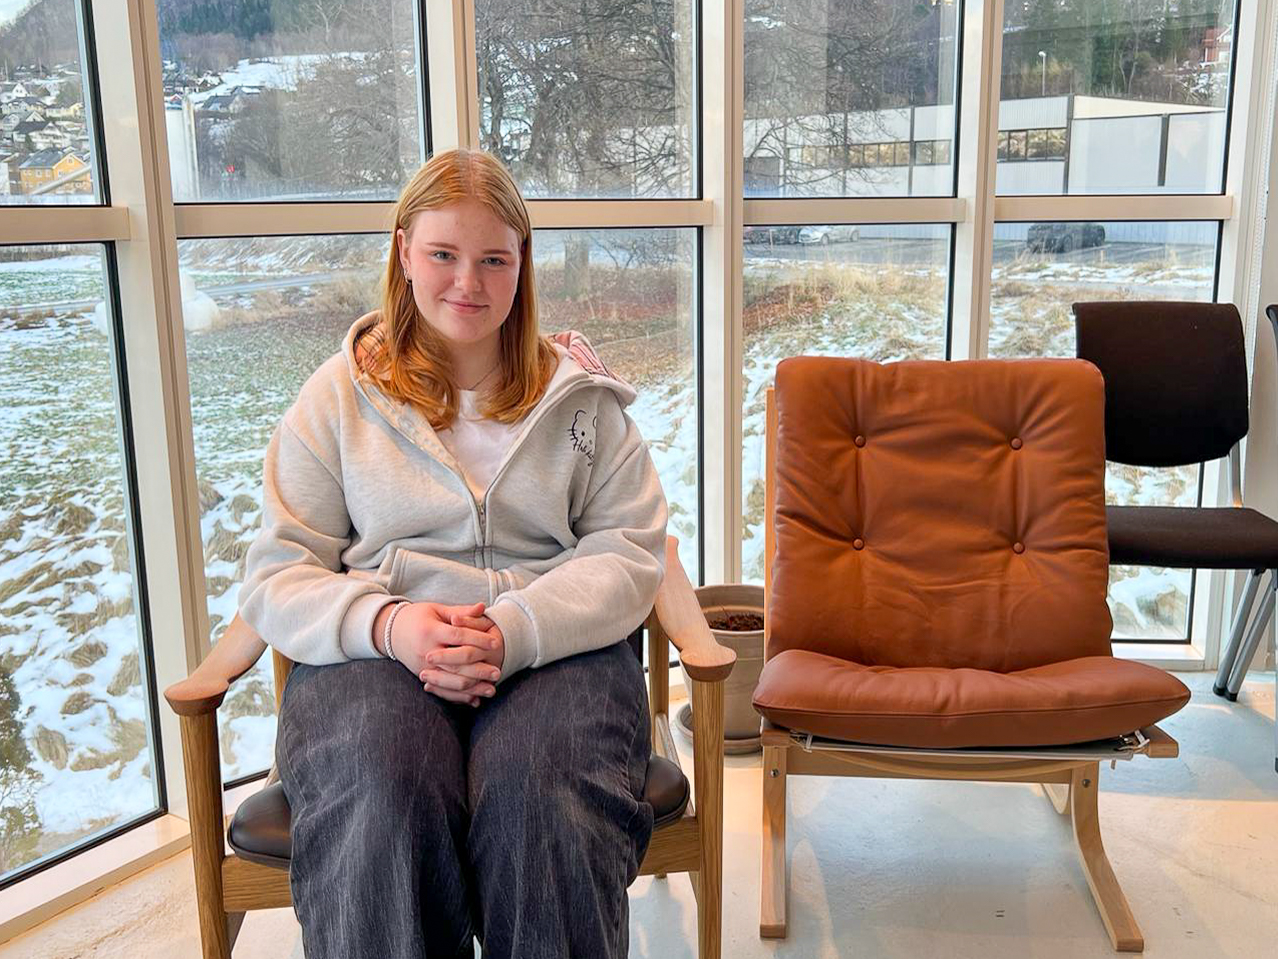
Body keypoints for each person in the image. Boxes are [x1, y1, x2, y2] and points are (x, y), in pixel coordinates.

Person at [237, 147, 669, 959]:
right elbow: (278, 571)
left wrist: (516, 628)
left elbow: (631, 549)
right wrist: (389, 624)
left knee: (542, 791)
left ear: (522, 262)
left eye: (493, 259)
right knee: (382, 788)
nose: (468, 282)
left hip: (556, 647)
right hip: (377, 654)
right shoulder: (336, 397)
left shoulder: (580, 399)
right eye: (443, 254)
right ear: (403, 251)